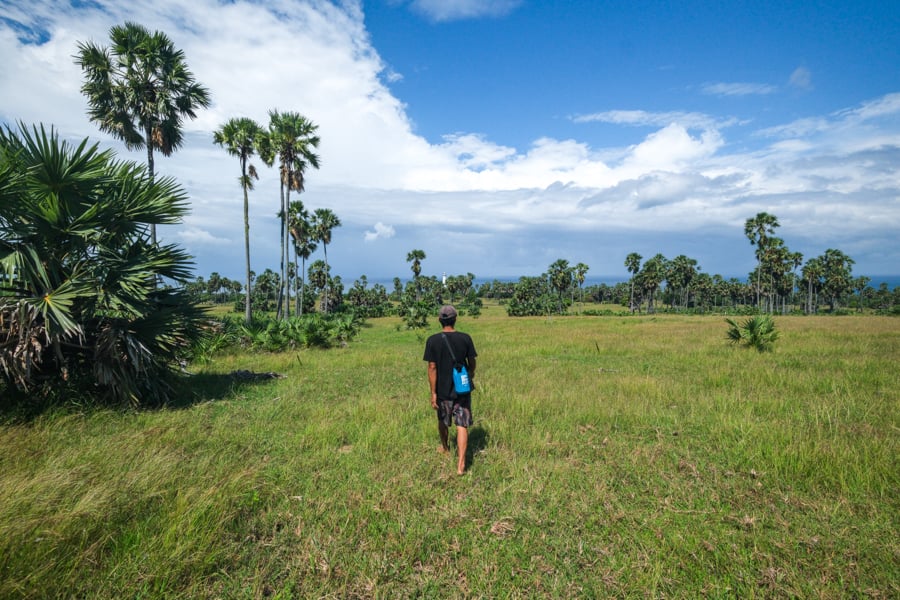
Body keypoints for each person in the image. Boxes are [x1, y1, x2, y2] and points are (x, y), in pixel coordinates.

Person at [423, 305, 477, 475]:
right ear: (456, 319)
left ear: (440, 320)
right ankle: (461, 464)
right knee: (462, 424)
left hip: (443, 390)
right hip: (462, 389)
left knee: (443, 420)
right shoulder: (465, 338)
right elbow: (472, 362)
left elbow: (432, 367)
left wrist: (433, 393)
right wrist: (470, 374)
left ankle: (446, 448)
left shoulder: (432, 340)